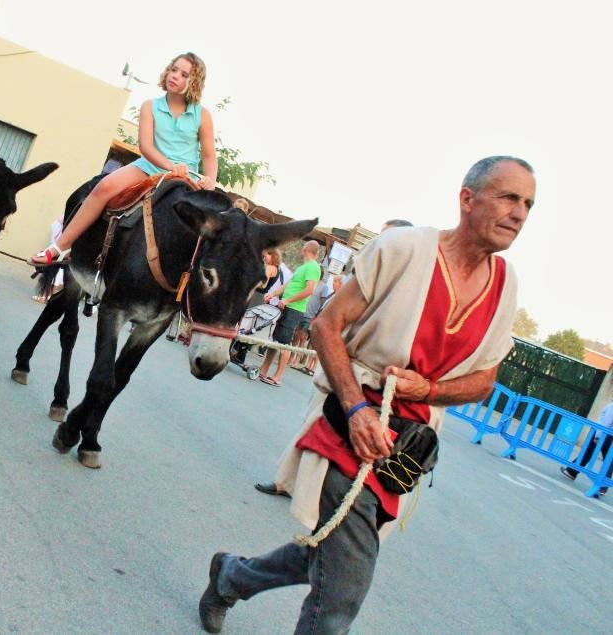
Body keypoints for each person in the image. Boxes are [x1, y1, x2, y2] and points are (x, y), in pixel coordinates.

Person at [200, 155, 535, 634]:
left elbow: (485, 380)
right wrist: (356, 409)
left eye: (527, 203)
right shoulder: (403, 249)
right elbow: (326, 325)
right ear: (467, 198)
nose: (519, 213)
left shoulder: (506, 288)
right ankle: (238, 579)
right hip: (349, 420)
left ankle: (232, 576)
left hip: (406, 445)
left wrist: (433, 388)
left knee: (332, 550)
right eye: (508, 197)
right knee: (343, 593)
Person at [30, 52, 218, 265]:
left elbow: (209, 155)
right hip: (150, 166)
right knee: (104, 186)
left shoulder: (202, 115)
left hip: (187, 176)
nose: (175, 76)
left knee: (212, 224)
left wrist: (209, 180)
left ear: (194, 82)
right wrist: (171, 166)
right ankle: (61, 246)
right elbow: (146, 147)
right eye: (174, 69)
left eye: (184, 74)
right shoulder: (150, 106)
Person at [256, 241, 322, 387]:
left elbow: (309, 290)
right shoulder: (303, 267)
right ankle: (264, 370)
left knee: (284, 343)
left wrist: (287, 300)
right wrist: (272, 294)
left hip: (294, 308)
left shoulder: (313, 267)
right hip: (286, 305)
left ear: (305, 249)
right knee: (276, 340)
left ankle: (278, 377)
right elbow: (288, 285)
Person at [560, 399, 613, 496]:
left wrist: (597, 436)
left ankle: (572, 471)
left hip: (603, 433)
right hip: (608, 435)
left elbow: (606, 423)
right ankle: (602, 487)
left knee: (588, 452)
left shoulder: (612, 406)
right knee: (608, 460)